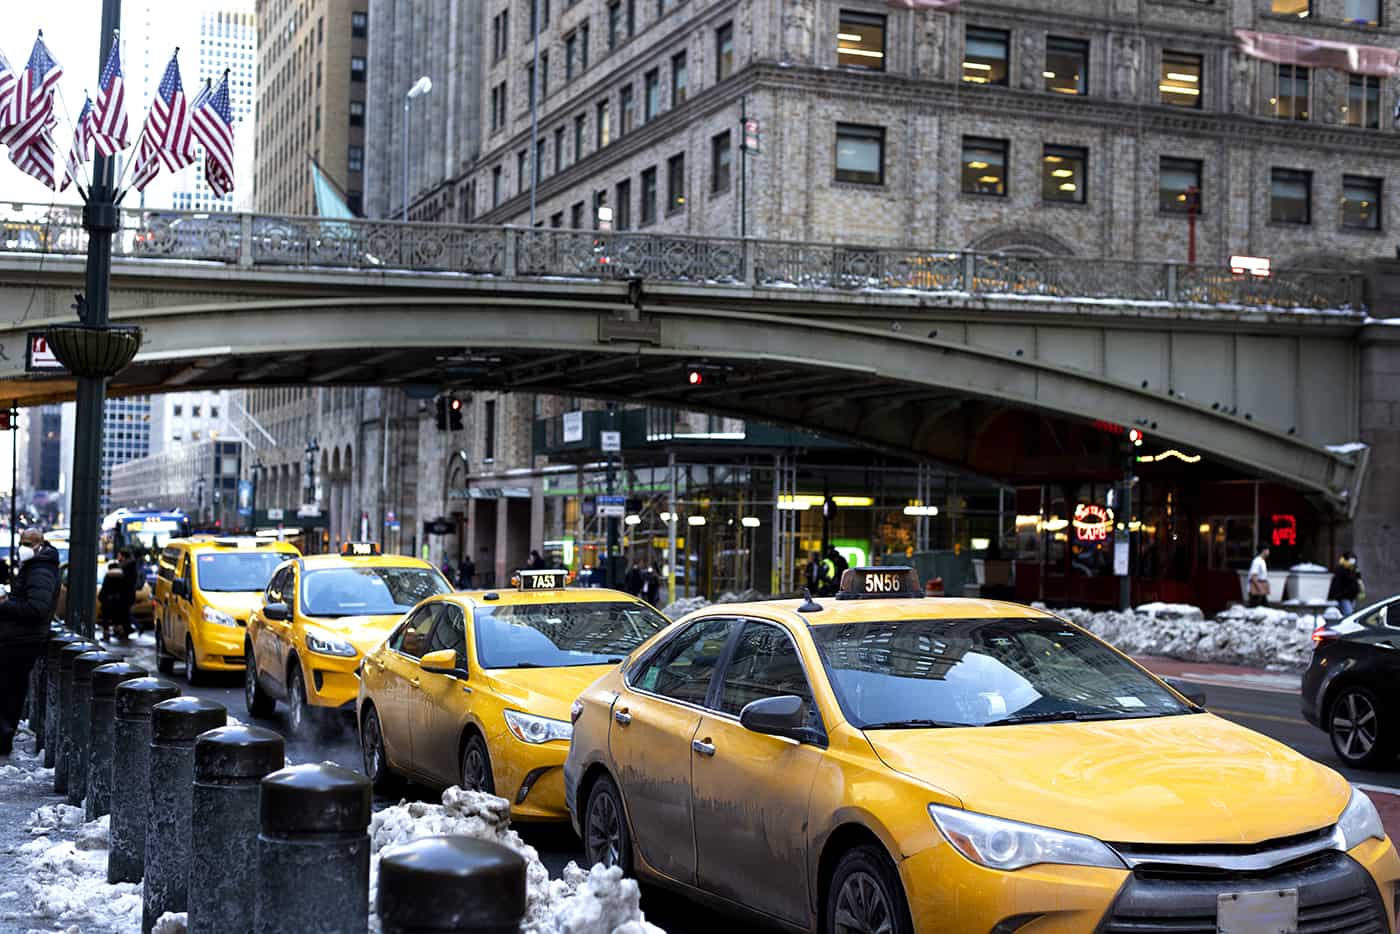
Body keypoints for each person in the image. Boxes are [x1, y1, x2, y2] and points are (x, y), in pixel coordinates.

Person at [0, 529, 61, 755]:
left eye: (28, 543)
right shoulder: (37, 566)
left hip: (22, 640)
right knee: (10, 689)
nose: (23, 546)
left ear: (39, 544)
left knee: (9, 689)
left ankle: (3, 737)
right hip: (21, 638)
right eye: (22, 542)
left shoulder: (41, 569)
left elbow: (37, 608)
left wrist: (4, 604)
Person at [98, 560, 129, 642]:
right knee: (118, 619)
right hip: (119, 601)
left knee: (106, 620)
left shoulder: (108, 575)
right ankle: (121, 633)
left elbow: (104, 589)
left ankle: (106, 635)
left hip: (108, 601)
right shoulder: (122, 575)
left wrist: (101, 598)